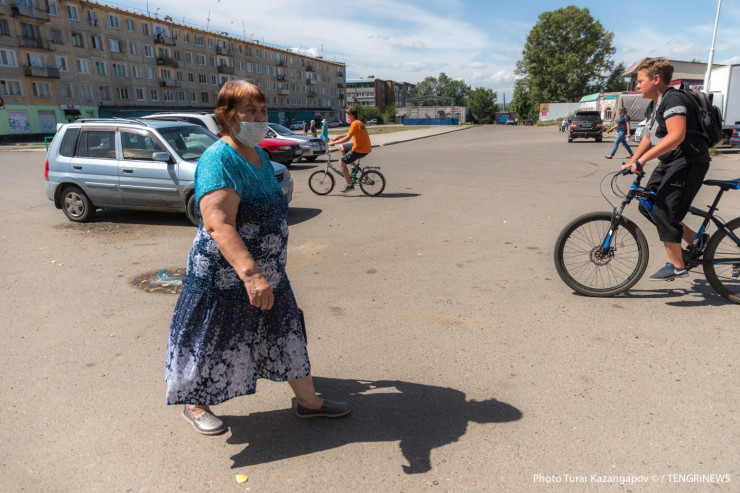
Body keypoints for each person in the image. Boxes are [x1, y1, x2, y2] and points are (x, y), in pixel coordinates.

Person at [165, 80, 350, 435]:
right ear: (227, 116)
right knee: (212, 338)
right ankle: (195, 404)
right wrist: (251, 275)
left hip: (270, 271)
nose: (259, 118)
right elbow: (218, 224)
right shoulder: (218, 160)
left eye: (263, 110)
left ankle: (309, 402)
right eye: (250, 111)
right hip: (225, 276)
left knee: (286, 331)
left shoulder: (259, 155)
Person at [620, 58, 710, 281]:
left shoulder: (673, 99)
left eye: (640, 81)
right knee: (648, 204)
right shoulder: (655, 104)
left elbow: (677, 135)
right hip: (670, 161)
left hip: (688, 161)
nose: (637, 85)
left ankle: (677, 265)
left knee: (664, 210)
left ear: (656, 79)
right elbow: (649, 137)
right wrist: (634, 160)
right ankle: (696, 240)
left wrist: (643, 161)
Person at [328, 107, 372, 192]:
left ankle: (349, 185)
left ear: (352, 115)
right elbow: (349, 133)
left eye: (346, 116)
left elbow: (347, 138)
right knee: (341, 148)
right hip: (363, 146)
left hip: (359, 149)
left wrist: (333, 143)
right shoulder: (357, 122)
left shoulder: (355, 123)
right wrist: (337, 137)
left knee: (341, 162)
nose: (345, 117)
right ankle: (353, 166)